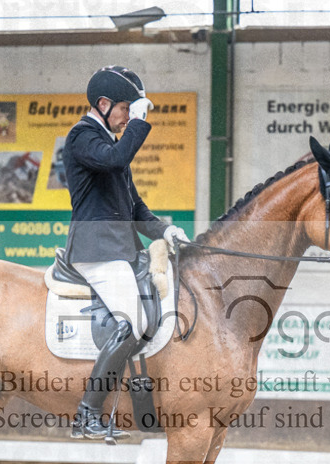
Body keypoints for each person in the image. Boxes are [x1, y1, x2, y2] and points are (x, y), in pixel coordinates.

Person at [62, 65, 190, 441]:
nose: (127, 118)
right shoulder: (82, 137)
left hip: (120, 249)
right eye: (124, 109)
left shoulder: (110, 145)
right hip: (96, 249)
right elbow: (117, 159)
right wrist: (139, 121)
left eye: (130, 112)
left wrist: (165, 230)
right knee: (132, 322)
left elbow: (135, 208)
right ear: (103, 105)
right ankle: (87, 413)